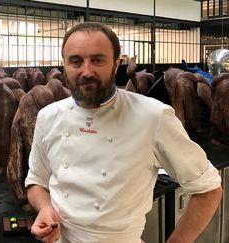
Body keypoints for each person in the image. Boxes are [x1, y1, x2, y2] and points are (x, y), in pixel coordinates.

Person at [24, 22, 222, 243]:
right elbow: (36, 181)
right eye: (76, 61)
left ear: (116, 63)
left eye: (97, 60)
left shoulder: (152, 116)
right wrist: (44, 208)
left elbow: (208, 189)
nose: (86, 71)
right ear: (64, 65)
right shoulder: (48, 116)